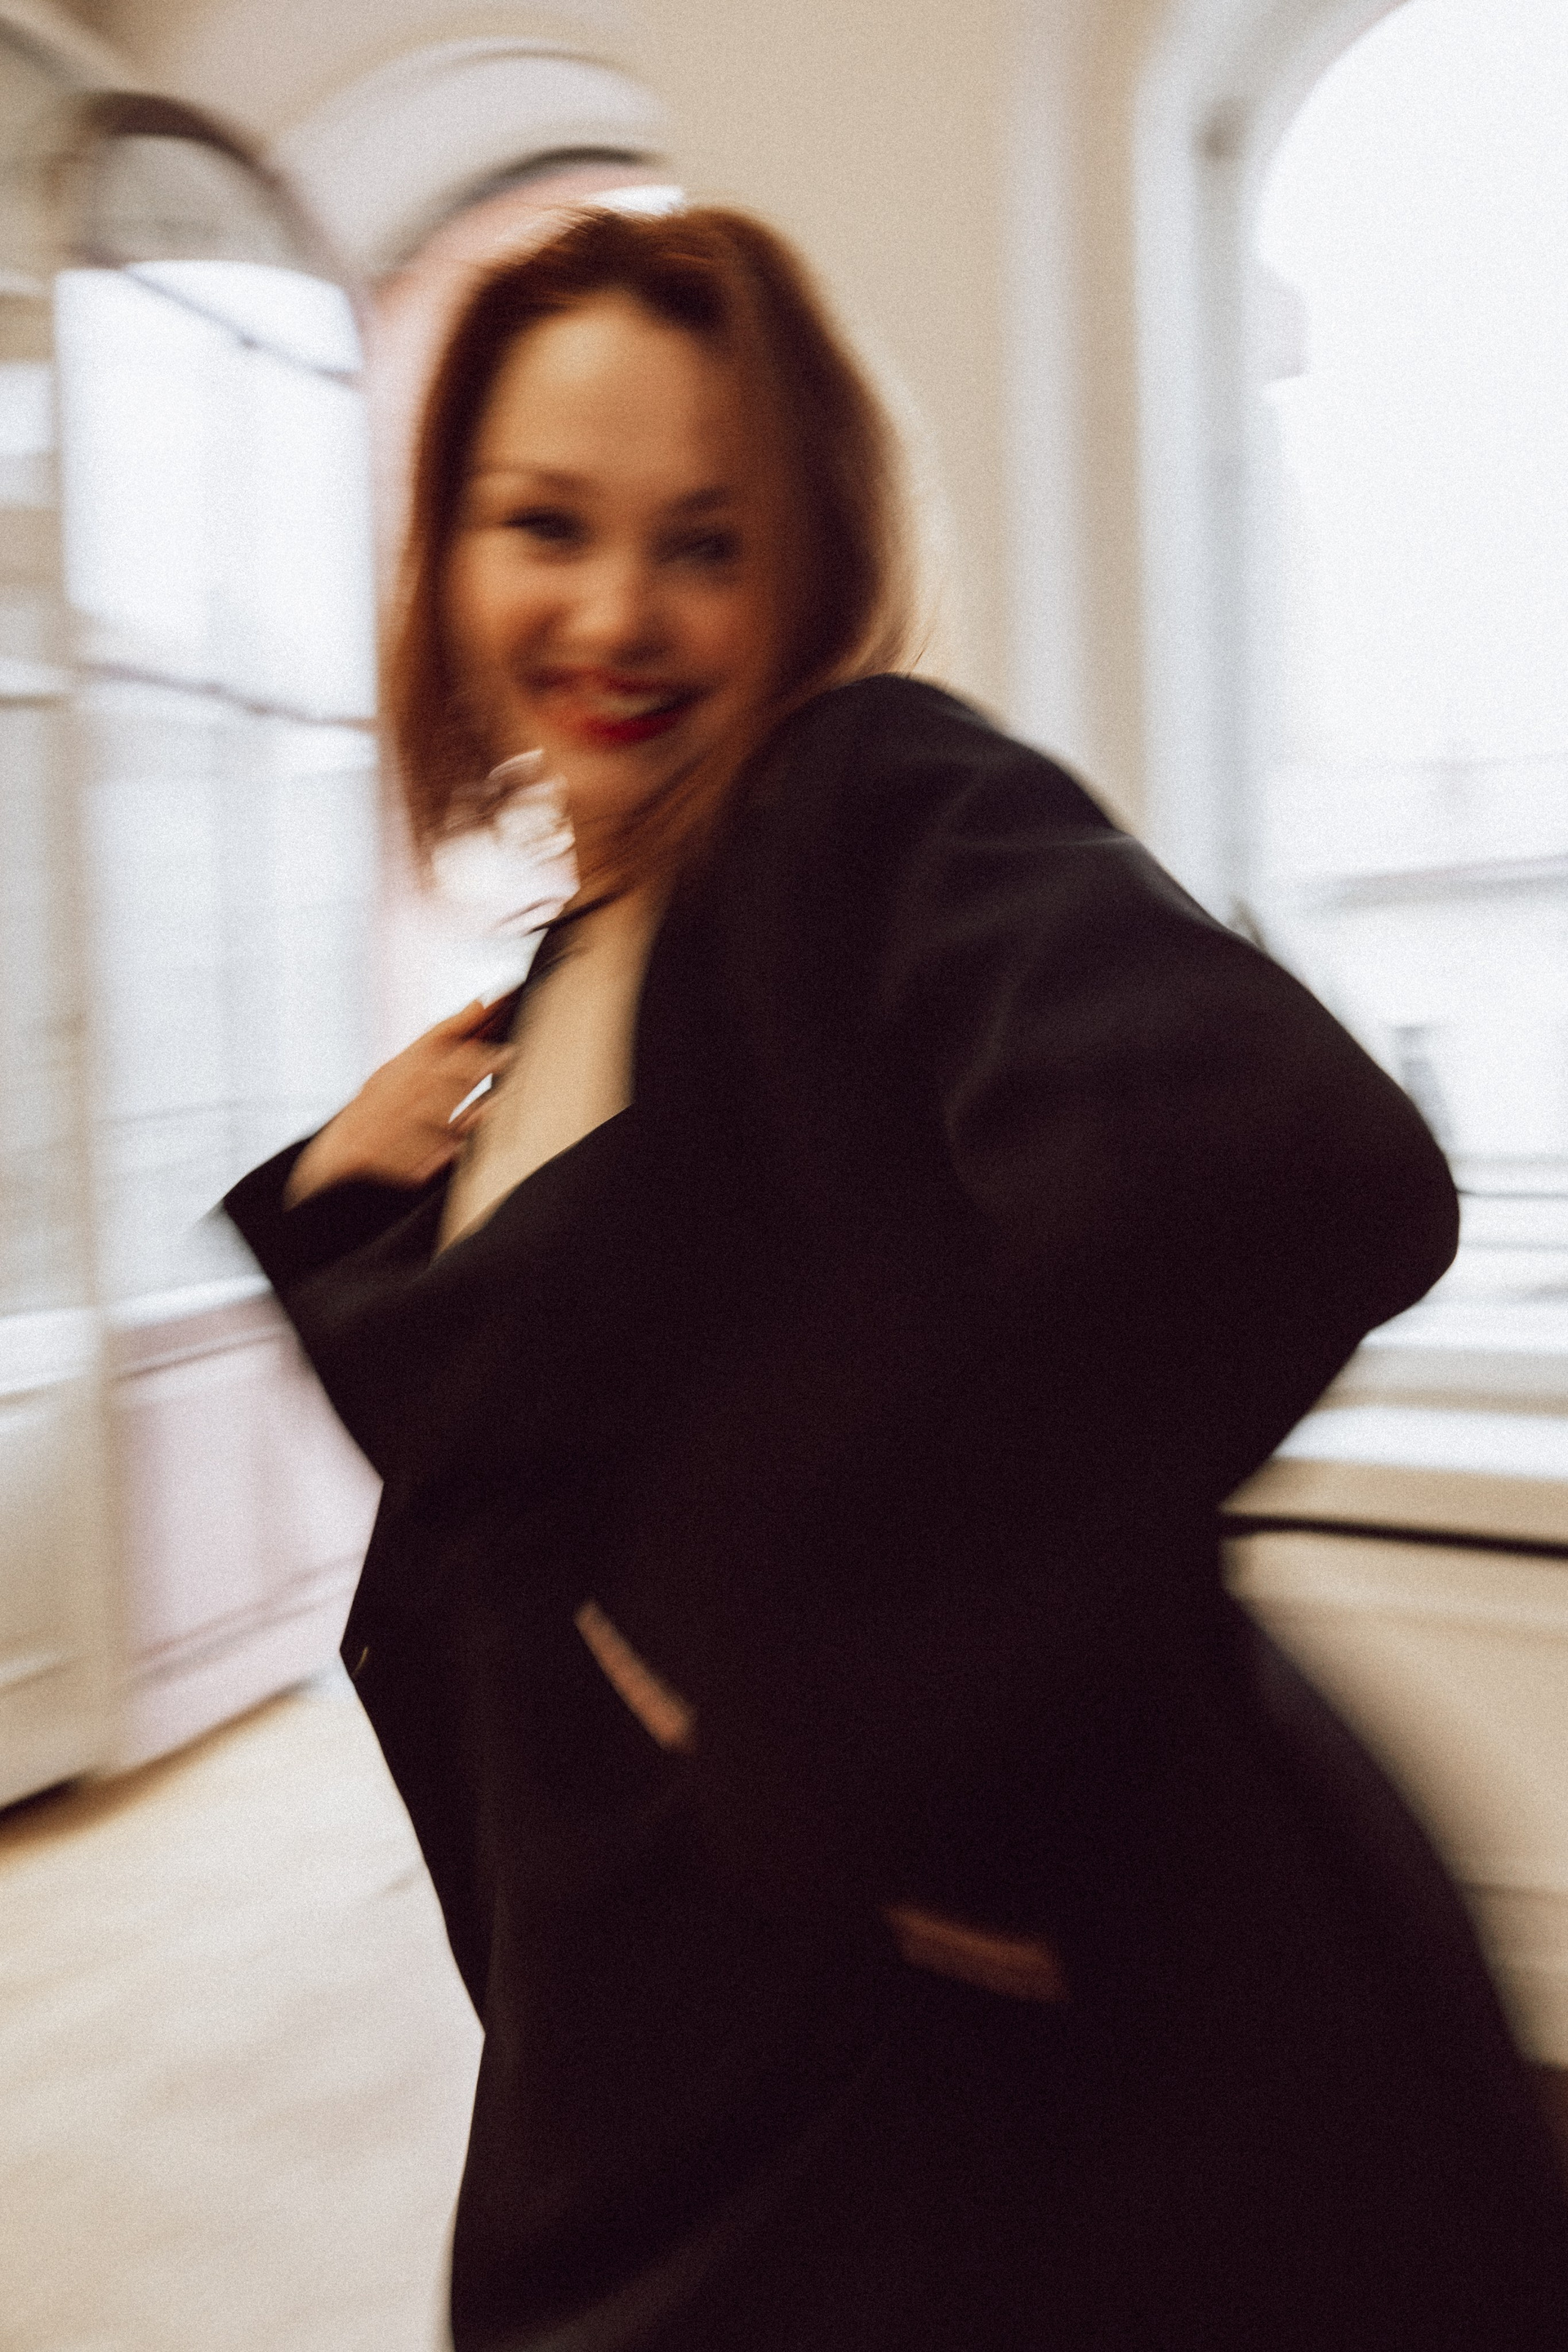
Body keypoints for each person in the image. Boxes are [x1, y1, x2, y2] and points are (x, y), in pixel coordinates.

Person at [223, 207, 1568, 2350]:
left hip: (943, 2103)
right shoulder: (570, 980)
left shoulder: (856, 799)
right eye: (545, 525)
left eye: (705, 544)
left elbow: (1287, 1167)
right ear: (448, 555)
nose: (612, 612)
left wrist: (813, 1710)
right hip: (651, 2076)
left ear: (811, 561)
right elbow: (548, 1510)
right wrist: (342, 1209)